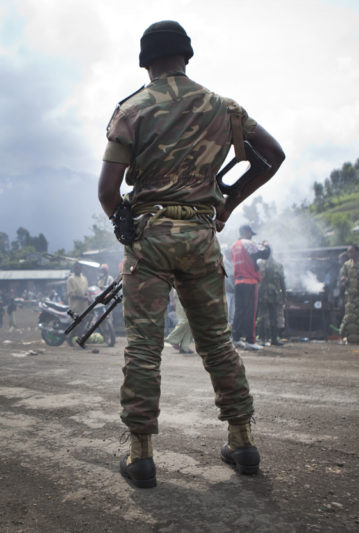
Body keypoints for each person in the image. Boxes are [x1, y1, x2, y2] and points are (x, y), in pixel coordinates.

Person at [97, 20, 284, 488]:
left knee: (144, 346)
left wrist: (126, 224)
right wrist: (226, 206)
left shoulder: (131, 110)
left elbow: (107, 191)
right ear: (187, 56)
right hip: (202, 237)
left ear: (146, 60)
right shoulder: (223, 107)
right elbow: (273, 155)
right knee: (217, 341)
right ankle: (242, 442)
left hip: (151, 236)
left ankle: (141, 455)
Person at [231, 225, 271, 347]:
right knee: (251, 312)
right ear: (247, 232)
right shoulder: (248, 243)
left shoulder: (234, 245)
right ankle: (250, 341)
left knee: (239, 311)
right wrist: (266, 244)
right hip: (250, 281)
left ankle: (236, 338)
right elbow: (265, 254)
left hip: (238, 281)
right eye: (250, 234)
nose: (251, 236)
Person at [256, 248, 286, 346]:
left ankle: (271, 339)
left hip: (269, 295)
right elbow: (283, 283)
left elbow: (282, 282)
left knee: (270, 317)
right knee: (263, 317)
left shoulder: (276, 265)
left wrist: (284, 296)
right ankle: (262, 338)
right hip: (266, 294)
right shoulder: (259, 264)